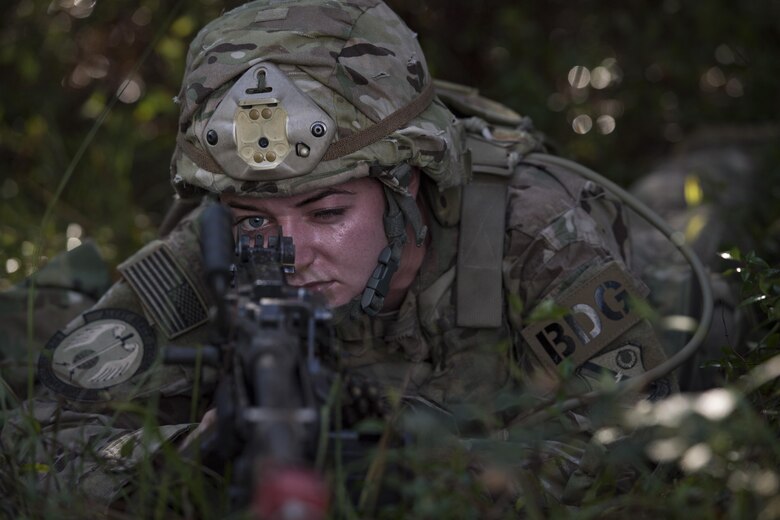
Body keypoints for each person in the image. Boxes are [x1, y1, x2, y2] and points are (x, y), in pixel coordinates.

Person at [1, 0, 676, 515]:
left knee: (695, 223)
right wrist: (184, 463)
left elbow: (636, 442)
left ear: (405, 184)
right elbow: (38, 437)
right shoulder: (204, 254)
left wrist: (424, 477)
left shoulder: (527, 233)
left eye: (327, 213)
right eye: (252, 218)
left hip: (650, 268)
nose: (289, 252)